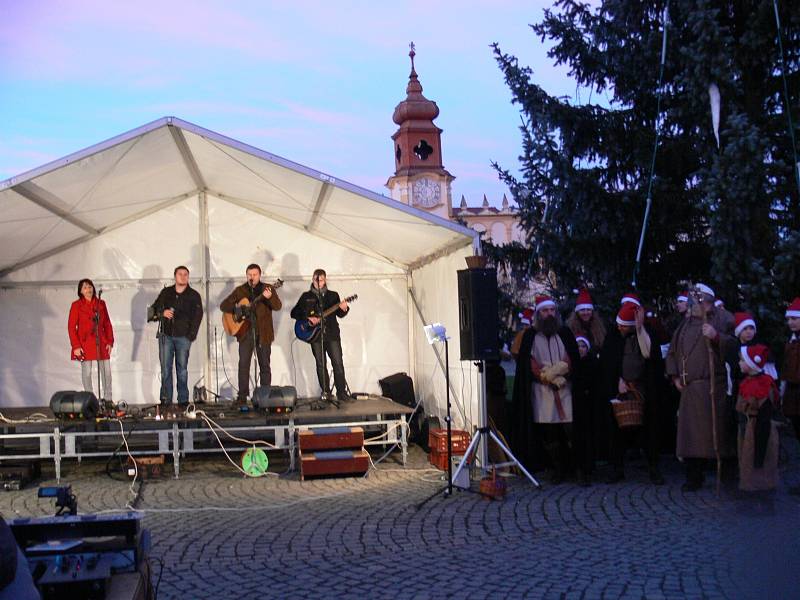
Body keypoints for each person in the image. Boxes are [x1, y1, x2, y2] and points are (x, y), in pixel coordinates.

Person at [665, 283, 735, 491]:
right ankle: (694, 477)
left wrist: (716, 336)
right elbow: (672, 352)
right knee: (690, 437)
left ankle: (728, 475)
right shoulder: (684, 326)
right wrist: (675, 376)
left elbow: (734, 346)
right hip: (690, 389)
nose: (692, 306)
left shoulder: (722, 319)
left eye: (696, 301)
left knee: (718, 432)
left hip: (713, 388)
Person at [510, 295, 580, 483]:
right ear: (538, 313)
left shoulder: (564, 333)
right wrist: (545, 377)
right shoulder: (530, 336)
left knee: (570, 430)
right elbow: (529, 363)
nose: (549, 314)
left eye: (551, 310)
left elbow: (570, 358)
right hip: (542, 391)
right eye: (545, 311)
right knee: (549, 433)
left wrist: (558, 374)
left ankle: (576, 468)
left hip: (565, 388)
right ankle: (557, 469)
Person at [601, 302, 665, 485]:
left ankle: (653, 467)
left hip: (643, 389)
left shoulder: (646, 334)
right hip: (620, 389)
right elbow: (607, 364)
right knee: (617, 431)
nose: (620, 328)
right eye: (620, 325)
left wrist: (639, 329)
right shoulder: (613, 337)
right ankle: (617, 468)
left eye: (624, 326)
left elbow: (649, 355)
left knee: (648, 430)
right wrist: (617, 381)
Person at [220, 264, 282, 404]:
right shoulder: (240, 290)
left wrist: (270, 297)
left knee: (264, 365)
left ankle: (265, 395)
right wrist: (238, 309)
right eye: (249, 274)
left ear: (260, 275)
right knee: (243, 365)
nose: (252, 277)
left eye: (254, 274)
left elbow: (277, 306)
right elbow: (223, 305)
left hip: (263, 333)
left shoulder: (268, 289)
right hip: (245, 333)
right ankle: (242, 396)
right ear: (246, 275)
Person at [291, 269, 351, 403]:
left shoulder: (333, 296)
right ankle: (326, 392)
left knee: (338, 363)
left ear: (325, 280)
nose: (318, 282)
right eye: (316, 279)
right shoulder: (306, 296)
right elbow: (294, 313)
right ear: (312, 279)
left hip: (332, 335)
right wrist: (308, 317)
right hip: (315, 336)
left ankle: (341, 393)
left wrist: (344, 308)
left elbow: (340, 315)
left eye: (321, 280)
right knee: (320, 364)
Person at [152, 266, 204, 406]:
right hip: (166, 336)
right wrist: (162, 314)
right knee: (165, 370)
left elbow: (198, 316)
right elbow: (153, 309)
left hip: (183, 337)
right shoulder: (166, 292)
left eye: (185, 274)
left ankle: (183, 400)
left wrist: (190, 336)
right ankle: (166, 400)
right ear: (175, 276)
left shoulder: (193, 295)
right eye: (180, 274)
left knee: (182, 370)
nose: (183, 276)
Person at [736, 344, 779, 492]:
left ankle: (759, 488)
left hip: (757, 431)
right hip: (748, 430)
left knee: (758, 459)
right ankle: (749, 485)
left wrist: (759, 456)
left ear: (750, 363)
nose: (739, 363)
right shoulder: (747, 382)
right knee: (746, 456)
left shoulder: (763, 386)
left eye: (742, 360)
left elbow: (764, 421)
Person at [68, 278, 114, 401]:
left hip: (101, 341)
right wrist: (76, 346)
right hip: (85, 342)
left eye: (90, 287)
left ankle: (108, 399)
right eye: (85, 287)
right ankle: (90, 399)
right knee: (87, 372)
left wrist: (110, 341)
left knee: (106, 372)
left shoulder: (101, 303)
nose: (88, 289)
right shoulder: (76, 305)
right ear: (81, 291)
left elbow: (107, 324)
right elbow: (71, 327)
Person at [781, 297, 800, 441]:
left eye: (794, 318)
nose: (790, 322)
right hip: (793, 392)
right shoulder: (791, 341)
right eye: (789, 319)